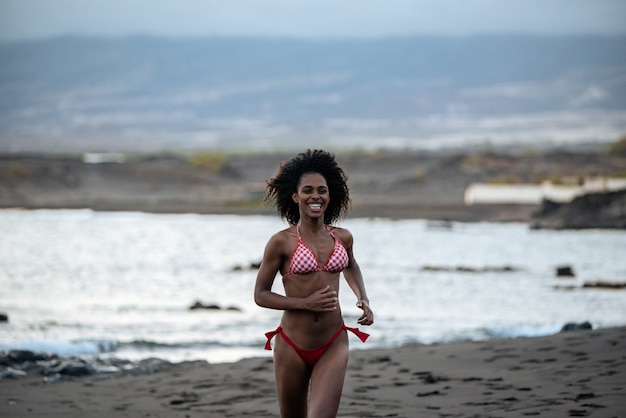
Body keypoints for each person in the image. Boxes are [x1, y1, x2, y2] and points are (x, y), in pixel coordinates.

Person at [254, 149, 374, 418]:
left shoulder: (343, 237)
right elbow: (260, 294)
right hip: (291, 345)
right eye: (307, 190)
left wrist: (362, 298)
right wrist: (304, 303)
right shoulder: (281, 241)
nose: (315, 196)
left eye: (322, 190)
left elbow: (351, 265)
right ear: (295, 196)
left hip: (333, 341)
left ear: (330, 195)